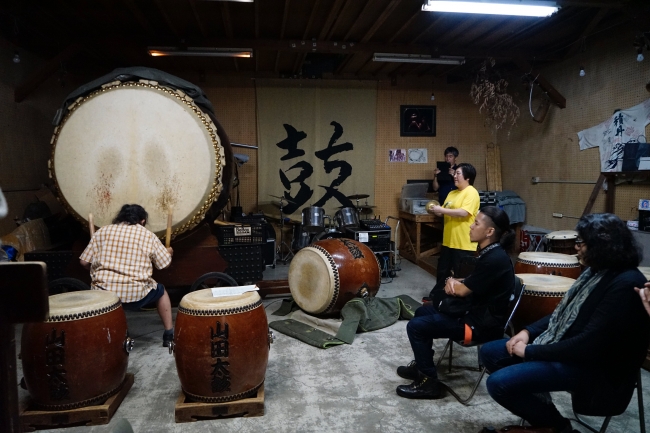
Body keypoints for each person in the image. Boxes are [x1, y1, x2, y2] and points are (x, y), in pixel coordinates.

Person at [480, 213, 650, 433]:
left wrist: (531, 352)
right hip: (573, 352)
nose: (577, 247)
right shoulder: (596, 272)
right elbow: (563, 313)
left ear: (602, 245)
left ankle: (557, 427)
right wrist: (527, 332)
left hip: (596, 369)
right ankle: (550, 420)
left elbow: (589, 345)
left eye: (582, 242)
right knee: (491, 352)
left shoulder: (626, 284)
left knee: (499, 383)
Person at [395, 206, 515, 399]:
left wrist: (451, 282)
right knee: (422, 312)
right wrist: (455, 282)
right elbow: (470, 282)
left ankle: (429, 383)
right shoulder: (490, 253)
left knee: (416, 327)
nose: (471, 226)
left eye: (476, 223)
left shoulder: (494, 259)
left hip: (479, 325)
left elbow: (462, 289)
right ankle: (422, 366)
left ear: (490, 231)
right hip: (471, 313)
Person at [80, 204, 175, 347]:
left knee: (102, 294)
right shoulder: (147, 235)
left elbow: (83, 262)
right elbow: (164, 265)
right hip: (137, 294)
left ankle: (106, 338)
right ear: (142, 221)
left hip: (105, 295)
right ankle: (169, 334)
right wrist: (169, 254)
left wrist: (96, 268)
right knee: (161, 292)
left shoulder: (102, 231)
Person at [428, 162, 480, 299]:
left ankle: (459, 300)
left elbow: (464, 212)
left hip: (463, 242)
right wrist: (435, 210)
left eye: (458, 173)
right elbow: (445, 211)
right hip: (448, 241)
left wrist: (442, 210)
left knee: (461, 273)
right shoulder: (452, 193)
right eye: (455, 173)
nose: (455, 176)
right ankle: (438, 296)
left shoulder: (471, 192)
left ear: (467, 177)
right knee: (442, 271)